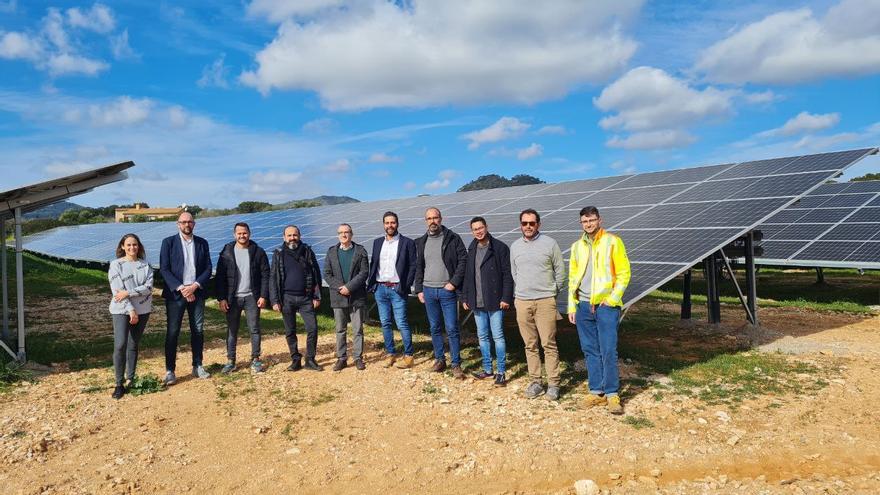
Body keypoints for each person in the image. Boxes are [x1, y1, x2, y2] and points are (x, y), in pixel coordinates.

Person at [568, 206, 631, 414]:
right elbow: (572, 278)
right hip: (583, 305)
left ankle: (612, 393)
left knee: (608, 350)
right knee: (589, 350)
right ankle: (596, 391)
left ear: (599, 220)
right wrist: (572, 304)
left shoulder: (613, 242)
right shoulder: (577, 246)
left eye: (592, 220)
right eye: (585, 221)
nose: (588, 224)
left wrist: (613, 299)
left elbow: (624, 273)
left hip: (606, 306)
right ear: (581, 223)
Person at [510, 208, 565, 400]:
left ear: (538, 224)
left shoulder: (550, 244)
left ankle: (554, 383)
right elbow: (514, 273)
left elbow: (560, 272)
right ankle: (536, 382)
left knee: (549, 344)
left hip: (545, 301)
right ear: (520, 225)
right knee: (529, 344)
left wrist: (551, 293)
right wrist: (523, 293)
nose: (528, 226)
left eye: (532, 223)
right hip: (523, 300)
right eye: (524, 223)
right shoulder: (515, 246)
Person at [414, 207, 468, 378]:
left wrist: (454, 282)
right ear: (425, 221)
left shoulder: (452, 238)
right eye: (429, 218)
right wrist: (419, 289)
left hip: (447, 291)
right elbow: (418, 267)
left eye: (435, 218)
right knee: (435, 327)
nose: (433, 221)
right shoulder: (421, 242)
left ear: (441, 219)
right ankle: (439, 360)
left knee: (452, 328)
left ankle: (456, 363)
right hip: (429, 291)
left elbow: (463, 261)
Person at [160, 211, 212, 385]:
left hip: (196, 291)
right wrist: (182, 288)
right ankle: (170, 370)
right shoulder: (168, 243)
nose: (187, 225)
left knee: (198, 330)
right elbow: (164, 269)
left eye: (190, 222)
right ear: (178, 224)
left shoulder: (202, 243)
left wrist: (194, 286)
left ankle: (197, 365)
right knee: (173, 332)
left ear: (194, 224)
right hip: (176, 294)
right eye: (183, 222)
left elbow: (208, 268)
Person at [461, 217, 513, 387]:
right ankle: (487, 369)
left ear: (486, 227)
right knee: (482, 336)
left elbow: (507, 275)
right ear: (472, 231)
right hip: (477, 301)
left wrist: (506, 297)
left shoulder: (499, 248)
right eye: (475, 229)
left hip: (495, 300)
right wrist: (465, 297)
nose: (478, 231)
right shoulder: (472, 248)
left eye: (481, 228)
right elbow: (468, 276)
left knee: (497, 336)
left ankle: (501, 372)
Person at [215, 222, 270, 374]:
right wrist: (222, 298)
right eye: (239, 233)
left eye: (244, 233)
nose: (242, 235)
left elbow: (266, 274)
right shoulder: (226, 253)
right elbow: (220, 277)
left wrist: (263, 295)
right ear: (234, 235)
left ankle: (256, 359)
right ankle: (231, 360)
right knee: (232, 330)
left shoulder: (258, 252)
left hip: (252, 297)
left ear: (249, 234)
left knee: (254, 329)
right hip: (232, 298)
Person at [367, 211, 417, 369]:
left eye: (393, 222)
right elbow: (374, 264)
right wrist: (373, 284)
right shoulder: (377, 243)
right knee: (385, 323)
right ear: (383, 224)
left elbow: (413, 265)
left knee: (401, 323)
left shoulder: (407, 242)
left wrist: (405, 284)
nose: (390, 225)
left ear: (397, 223)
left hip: (397, 289)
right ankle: (390, 353)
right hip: (380, 288)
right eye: (387, 223)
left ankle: (409, 355)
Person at [269, 225, 323, 371]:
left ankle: (310, 359)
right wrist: (274, 300)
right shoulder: (278, 253)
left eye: (295, 235)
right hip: (286, 298)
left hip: (306, 298)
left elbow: (316, 273)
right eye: (289, 235)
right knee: (290, 331)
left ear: (299, 236)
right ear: (284, 238)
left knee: (312, 329)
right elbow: (273, 277)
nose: (292, 238)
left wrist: (316, 295)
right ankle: (295, 359)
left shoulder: (307, 251)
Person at [108, 233, 153, 399]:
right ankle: (118, 383)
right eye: (128, 245)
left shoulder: (145, 265)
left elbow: (148, 288)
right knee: (120, 344)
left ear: (139, 246)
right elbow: (117, 292)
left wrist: (129, 292)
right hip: (121, 310)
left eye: (135, 245)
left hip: (143, 309)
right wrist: (131, 310)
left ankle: (130, 379)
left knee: (133, 344)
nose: (132, 248)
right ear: (122, 247)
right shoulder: (116, 265)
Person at [323, 223, 370, 371]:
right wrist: (340, 288)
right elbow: (327, 274)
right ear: (338, 235)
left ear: (351, 234)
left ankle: (357, 358)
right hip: (338, 296)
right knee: (340, 329)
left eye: (347, 232)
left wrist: (349, 287)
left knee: (357, 329)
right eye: (341, 232)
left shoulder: (360, 251)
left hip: (356, 296)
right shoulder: (331, 252)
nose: (344, 235)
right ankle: (341, 358)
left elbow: (364, 273)